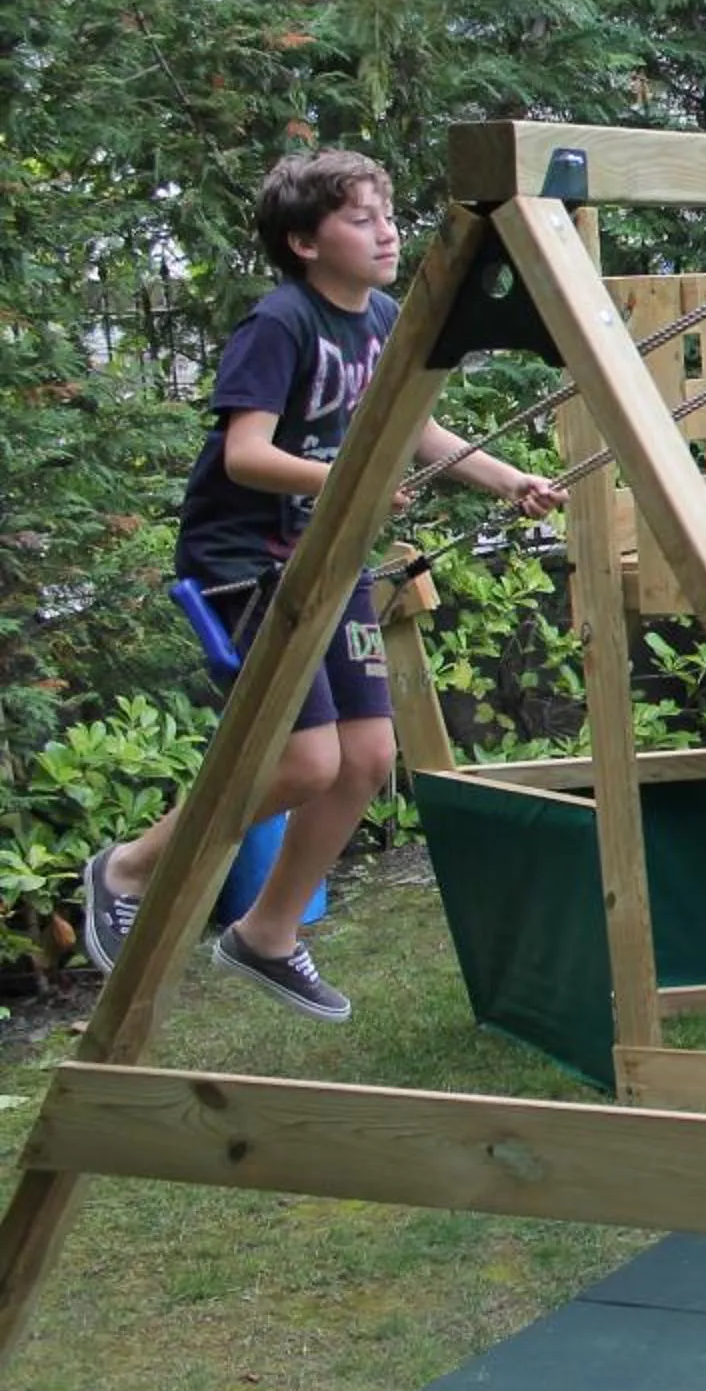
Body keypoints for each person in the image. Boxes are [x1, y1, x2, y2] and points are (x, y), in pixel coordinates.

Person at [78, 150, 563, 1021]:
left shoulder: (383, 318)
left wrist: (505, 479)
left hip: (327, 556)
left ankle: (266, 934)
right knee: (305, 763)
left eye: (388, 214)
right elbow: (246, 454)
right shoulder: (281, 323)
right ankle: (129, 868)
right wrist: (349, 483)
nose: (387, 233)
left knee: (366, 760)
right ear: (305, 242)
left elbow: (414, 427)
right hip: (243, 564)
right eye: (361, 219)